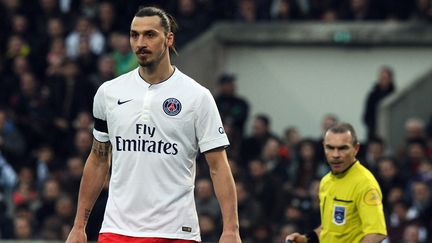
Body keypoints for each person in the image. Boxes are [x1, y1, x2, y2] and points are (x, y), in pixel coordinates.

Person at [65, 6, 241, 243]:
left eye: (150, 34)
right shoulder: (109, 93)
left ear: (169, 39)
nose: (140, 42)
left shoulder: (197, 97)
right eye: (134, 35)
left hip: (176, 231)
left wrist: (231, 230)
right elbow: (98, 159)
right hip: (117, 231)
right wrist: (79, 226)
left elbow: (219, 166)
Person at [286, 123, 387, 243]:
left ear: (356, 149)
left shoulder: (365, 183)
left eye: (342, 148)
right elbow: (329, 227)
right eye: (330, 148)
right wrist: (305, 239)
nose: (335, 155)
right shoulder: (325, 181)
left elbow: (376, 233)